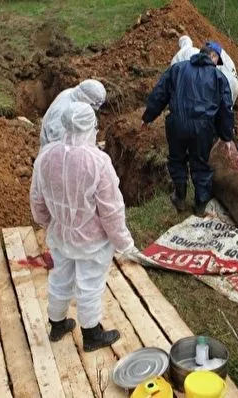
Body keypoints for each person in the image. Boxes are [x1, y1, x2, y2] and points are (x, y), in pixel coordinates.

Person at [30, 102, 141, 352]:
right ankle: (91, 335)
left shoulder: (46, 156)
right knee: (89, 284)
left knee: (60, 277)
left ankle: (57, 324)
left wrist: (49, 223)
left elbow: (38, 199)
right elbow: (111, 209)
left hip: (61, 234)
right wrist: (125, 243)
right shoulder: (98, 162)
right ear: (91, 126)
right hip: (92, 240)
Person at [141, 41, 234, 217]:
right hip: (203, 127)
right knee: (200, 163)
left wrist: (148, 118)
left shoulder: (177, 69)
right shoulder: (218, 77)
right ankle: (200, 204)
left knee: (177, 159)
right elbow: (225, 108)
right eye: (217, 60)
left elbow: (159, 94)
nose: (217, 64)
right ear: (213, 56)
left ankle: (180, 197)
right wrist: (227, 136)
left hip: (176, 123)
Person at [39, 79, 106, 150]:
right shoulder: (63, 113)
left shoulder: (72, 93)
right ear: (85, 98)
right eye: (92, 105)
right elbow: (61, 146)